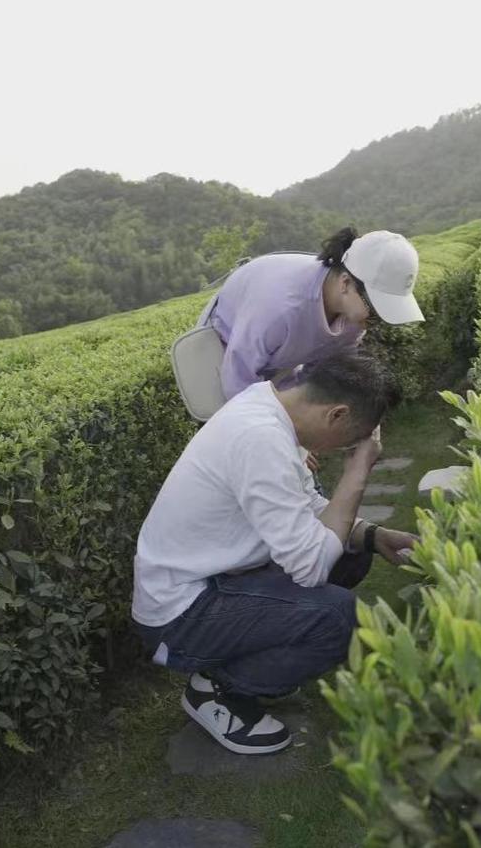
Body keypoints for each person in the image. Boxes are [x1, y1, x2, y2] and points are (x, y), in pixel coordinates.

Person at [132, 353, 416, 755]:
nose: (347, 450)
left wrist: (371, 534)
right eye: (353, 441)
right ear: (336, 414)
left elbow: (307, 505)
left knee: (353, 552)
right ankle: (218, 691)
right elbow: (313, 568)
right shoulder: (259, 437)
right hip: (180, 611)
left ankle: (247, 659)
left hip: (217, 577)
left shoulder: (268, 406)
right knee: (337, 616)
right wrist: (357, 472)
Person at [197, 226, 425, 402]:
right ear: (346, 283)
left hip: (279, 360)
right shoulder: (279, 308)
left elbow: (331, 367)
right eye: (376, 310)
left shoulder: (354, 316)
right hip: (223, 346)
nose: (376, 321)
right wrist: (288, 428)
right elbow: (237, 382)